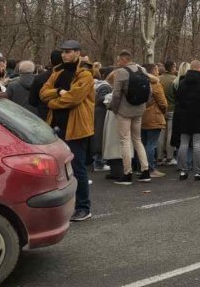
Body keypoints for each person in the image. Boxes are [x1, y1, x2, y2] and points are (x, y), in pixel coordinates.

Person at [40, 40, 95, 220]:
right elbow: (43, 93)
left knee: (77, 168)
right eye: (63, 52)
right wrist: (58, 92)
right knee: (57, 168)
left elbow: (74, 98)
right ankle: (63, 205)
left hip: (77, 128)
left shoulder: (85, 75)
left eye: (69, 52)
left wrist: (53, 102)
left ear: (77, 53)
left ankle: (83, 207)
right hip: (56, 126)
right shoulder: (57, 73)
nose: (65, 55)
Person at [108, 50, 152, 185]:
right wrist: (143, 105)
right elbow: (149, 91)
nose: (118, 63)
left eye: (119, 60)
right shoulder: (142, 69)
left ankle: (127, 173)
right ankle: (145, 171)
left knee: (125, 141)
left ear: (123, 60)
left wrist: (113, 109)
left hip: (124, 111)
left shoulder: (121, 72)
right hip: (139, 110)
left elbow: (116, 95)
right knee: (137, 140)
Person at [173, 60, 200, 181]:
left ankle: (183, 171)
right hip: (199, 116)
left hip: (184, 116)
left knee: (183, 143)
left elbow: (178, 99)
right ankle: (198, 172)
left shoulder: (182, 83)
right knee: (197, 144)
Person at [141, 63, 168, 178]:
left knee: (143, 143)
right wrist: (163, 111)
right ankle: (151, 168)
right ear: (152, 71)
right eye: (156, 70)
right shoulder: (155, 84)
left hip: (142, 116)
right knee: (151, 144)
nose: (158, 72)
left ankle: (142, 167)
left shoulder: (141, 83)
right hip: (154, 116)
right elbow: (163, 103)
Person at [159, 60, 178, 165]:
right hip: (172, 109)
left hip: (161, 109)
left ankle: (159, 158)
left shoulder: (158, 79)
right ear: (172, 67)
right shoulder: (175, 80)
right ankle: (170, 157)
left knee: (161, 134)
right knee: (170, 133)